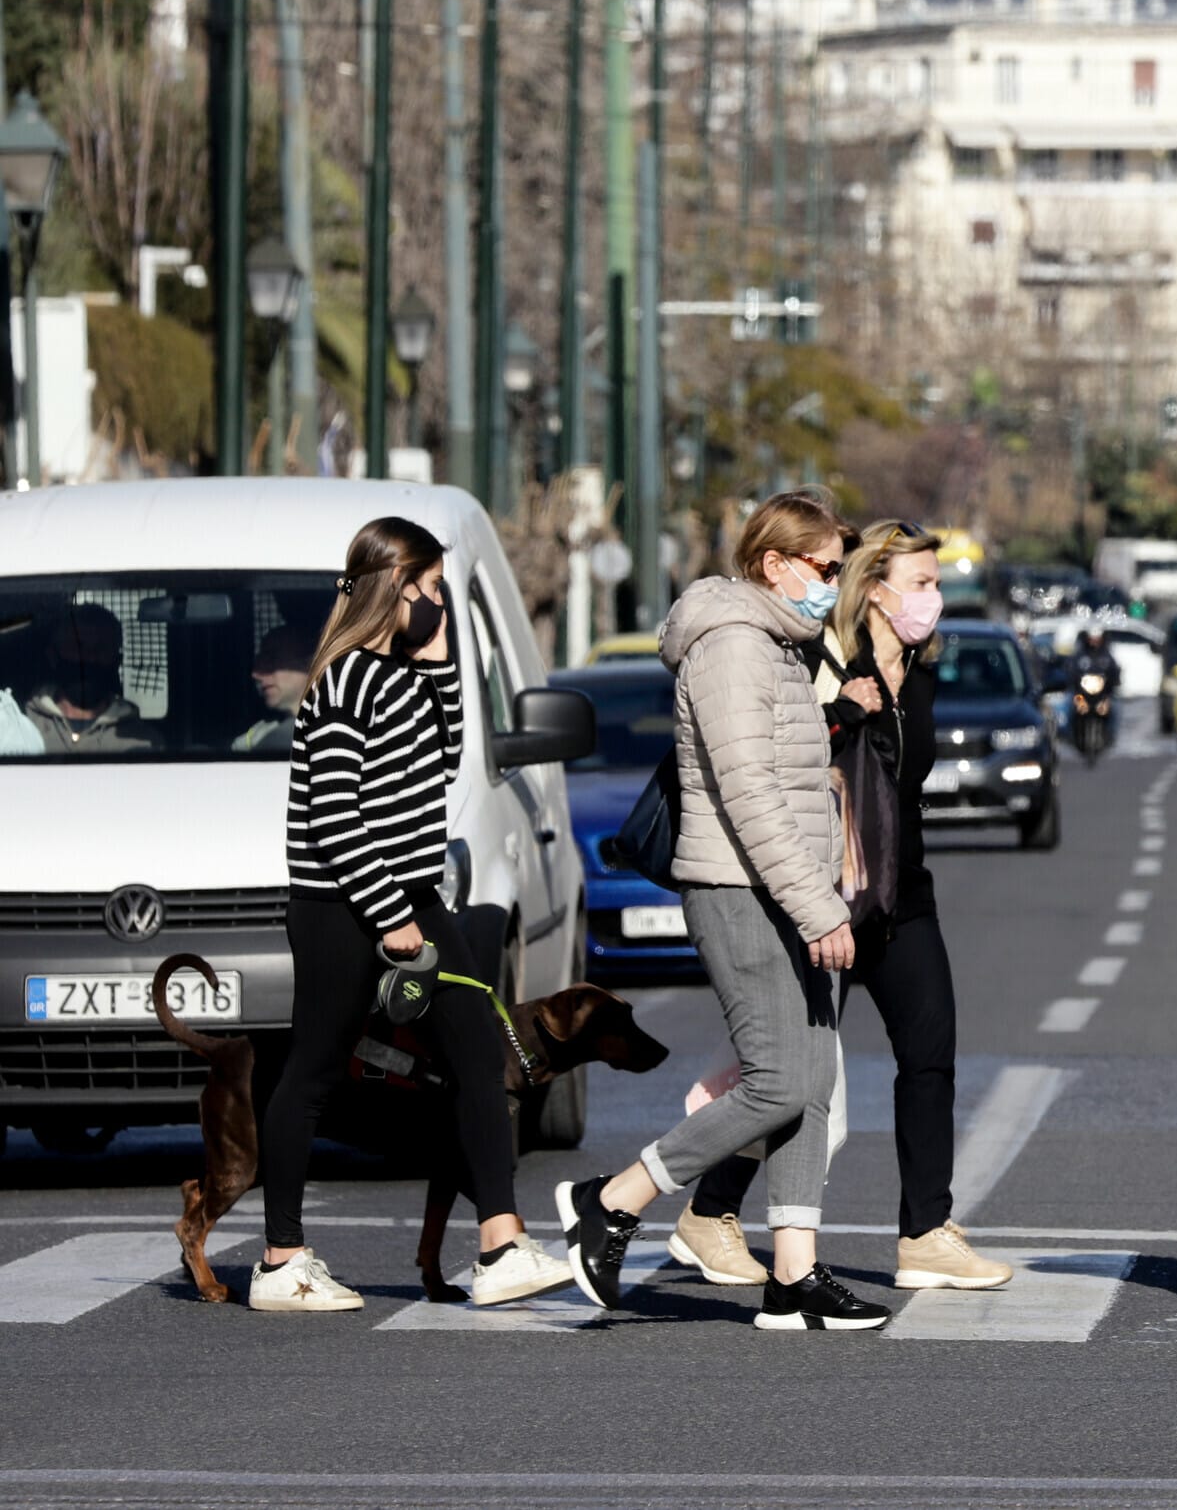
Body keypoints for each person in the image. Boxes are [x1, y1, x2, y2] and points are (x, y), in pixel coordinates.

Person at [557, 492, 889, 1331]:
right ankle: (613, 1198)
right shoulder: (735, 645)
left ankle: (795, 1274)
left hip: (780, 888)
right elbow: (749, 794)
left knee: (811, 1077)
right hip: (740, 891)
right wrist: (820, 908)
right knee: (779, 1078)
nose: (832, 583)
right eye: (823, 567)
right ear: (774, 564)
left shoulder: (781, 644)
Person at [678, 518, 1014, 1294]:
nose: (936, 598)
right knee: (796, 1072)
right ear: (874, 589)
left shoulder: (921, 671)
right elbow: (780, 759)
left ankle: (926, 1232)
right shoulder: (814, 659)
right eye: (923, 583)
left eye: (936, 582)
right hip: (822, 893)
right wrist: (845, 713)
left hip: (901, 892)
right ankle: (710, 1207)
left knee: (930, 1055)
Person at [254, 517, 572, 1312]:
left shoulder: (400, 674)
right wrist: (390, 913)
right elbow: (334, 815)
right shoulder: (343, 680)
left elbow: (446, 751)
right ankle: (280, 1259)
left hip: (415, 896)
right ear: (390, 590)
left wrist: (437, 658)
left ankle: (500, 1242)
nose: (438, 603)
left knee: (477, 1053)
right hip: (343, 906)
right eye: (428, 590)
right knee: (314, 1070)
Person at [26, 603, 162, 754]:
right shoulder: (20, 727)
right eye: (78, 647)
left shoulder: (142, 740)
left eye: (101, 648)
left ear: (117, 660)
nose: (89, 657)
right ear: (53, 656)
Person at [235, 623, 317, 753]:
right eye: (260, 661)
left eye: (271, 660)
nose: (256, 674)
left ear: (310, 663)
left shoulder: (339, 731)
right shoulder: (262, 730)